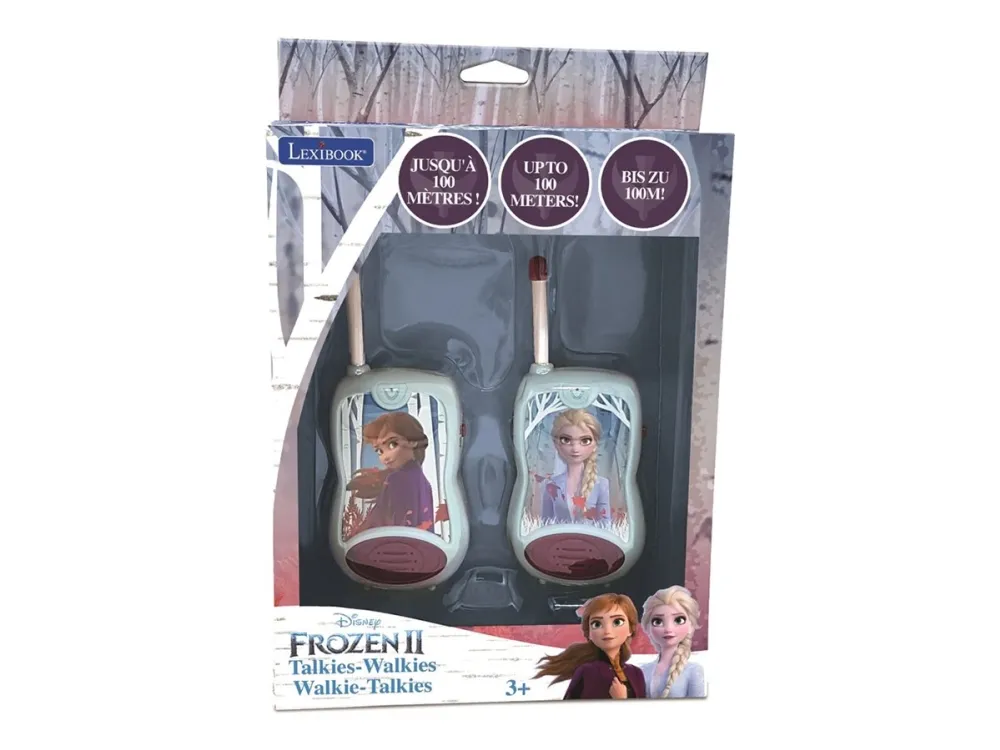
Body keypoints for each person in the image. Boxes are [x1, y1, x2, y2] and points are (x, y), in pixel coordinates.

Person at [533, 593, 646, 699]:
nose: (607, 631)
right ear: (589, 633)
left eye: (617, 622)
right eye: (597, 624)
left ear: (630, 629)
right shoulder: (587, 672)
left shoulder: (636, 673)